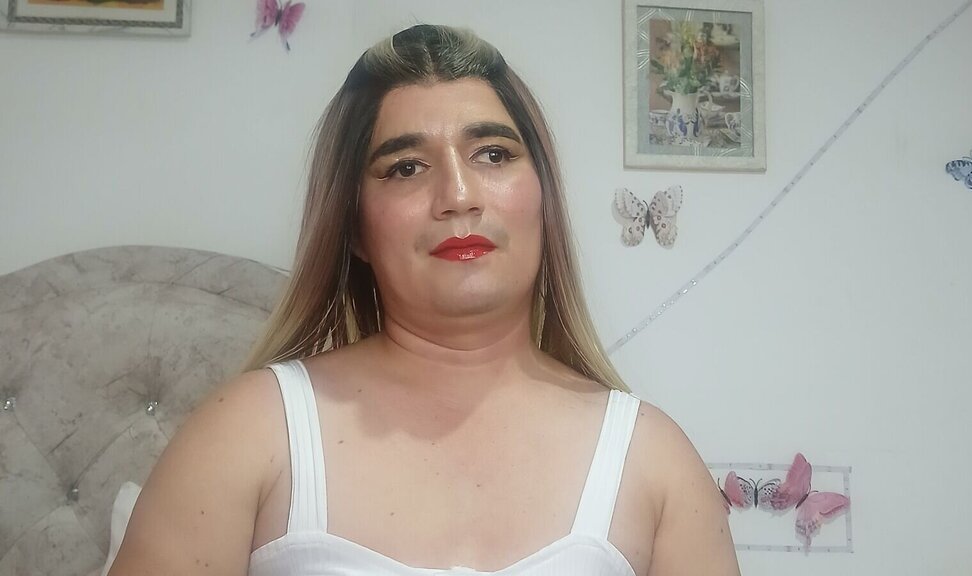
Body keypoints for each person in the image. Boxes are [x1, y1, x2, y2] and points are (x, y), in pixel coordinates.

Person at [110, 24, 739, 576]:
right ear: (354, 226)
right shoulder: (248, 432)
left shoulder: (655, 462)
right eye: (407, 167)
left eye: (493, 154)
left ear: (543, 198)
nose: (459, 195)